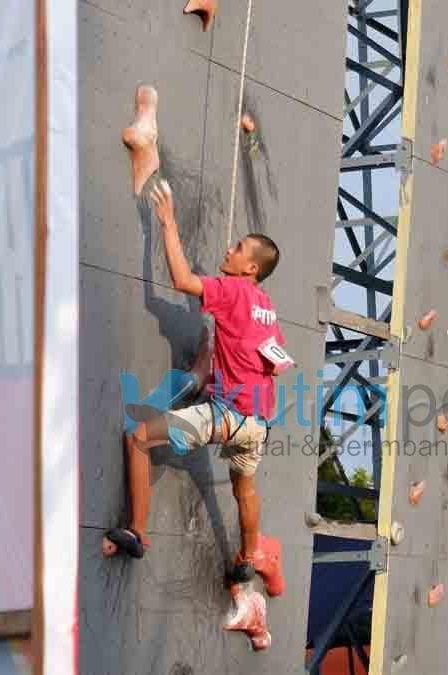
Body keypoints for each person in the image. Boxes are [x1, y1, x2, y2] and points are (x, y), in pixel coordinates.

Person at [103, 179, 287, 650]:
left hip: (225, 415)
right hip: (258, 423)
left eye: (238, 247)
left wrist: (166, 224)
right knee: (245, 485)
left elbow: (182, 280)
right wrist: (219, 361)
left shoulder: (232, 291)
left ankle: (137, 533)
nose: (229, 249)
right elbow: (274, 364)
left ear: (250, 267)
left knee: (139, 437)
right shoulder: (267, 306)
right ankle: (247, 558)